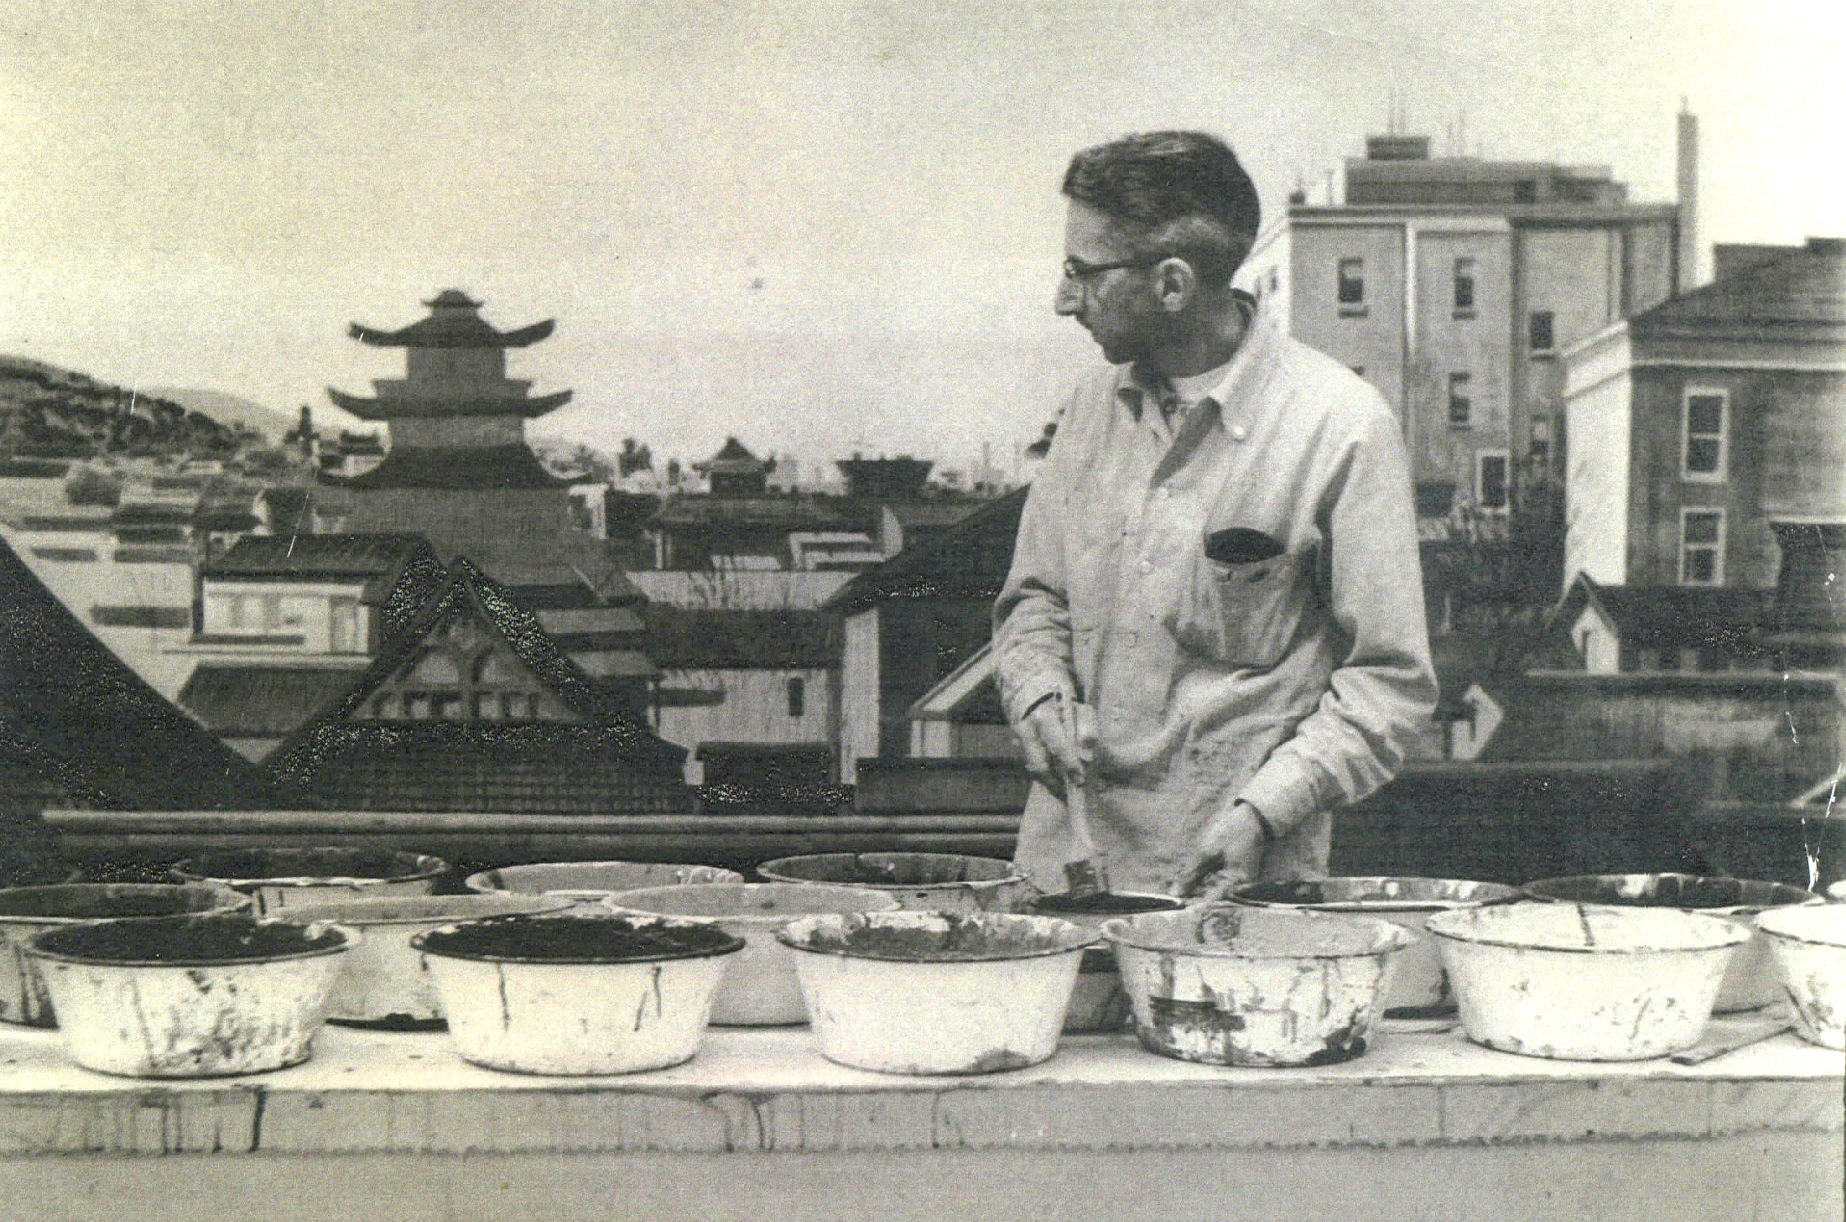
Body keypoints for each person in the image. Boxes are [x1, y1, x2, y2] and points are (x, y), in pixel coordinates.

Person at [993, 130, 1438, 899]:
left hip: (1236, 890)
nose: (1064, 299)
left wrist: (1262, 813)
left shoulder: (1341, 426)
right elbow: (1035, 599)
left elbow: (1390, 686)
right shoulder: (1089, 411)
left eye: (1082, 273)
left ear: (1171, 285)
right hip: (1060, 885)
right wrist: (1036, 693)